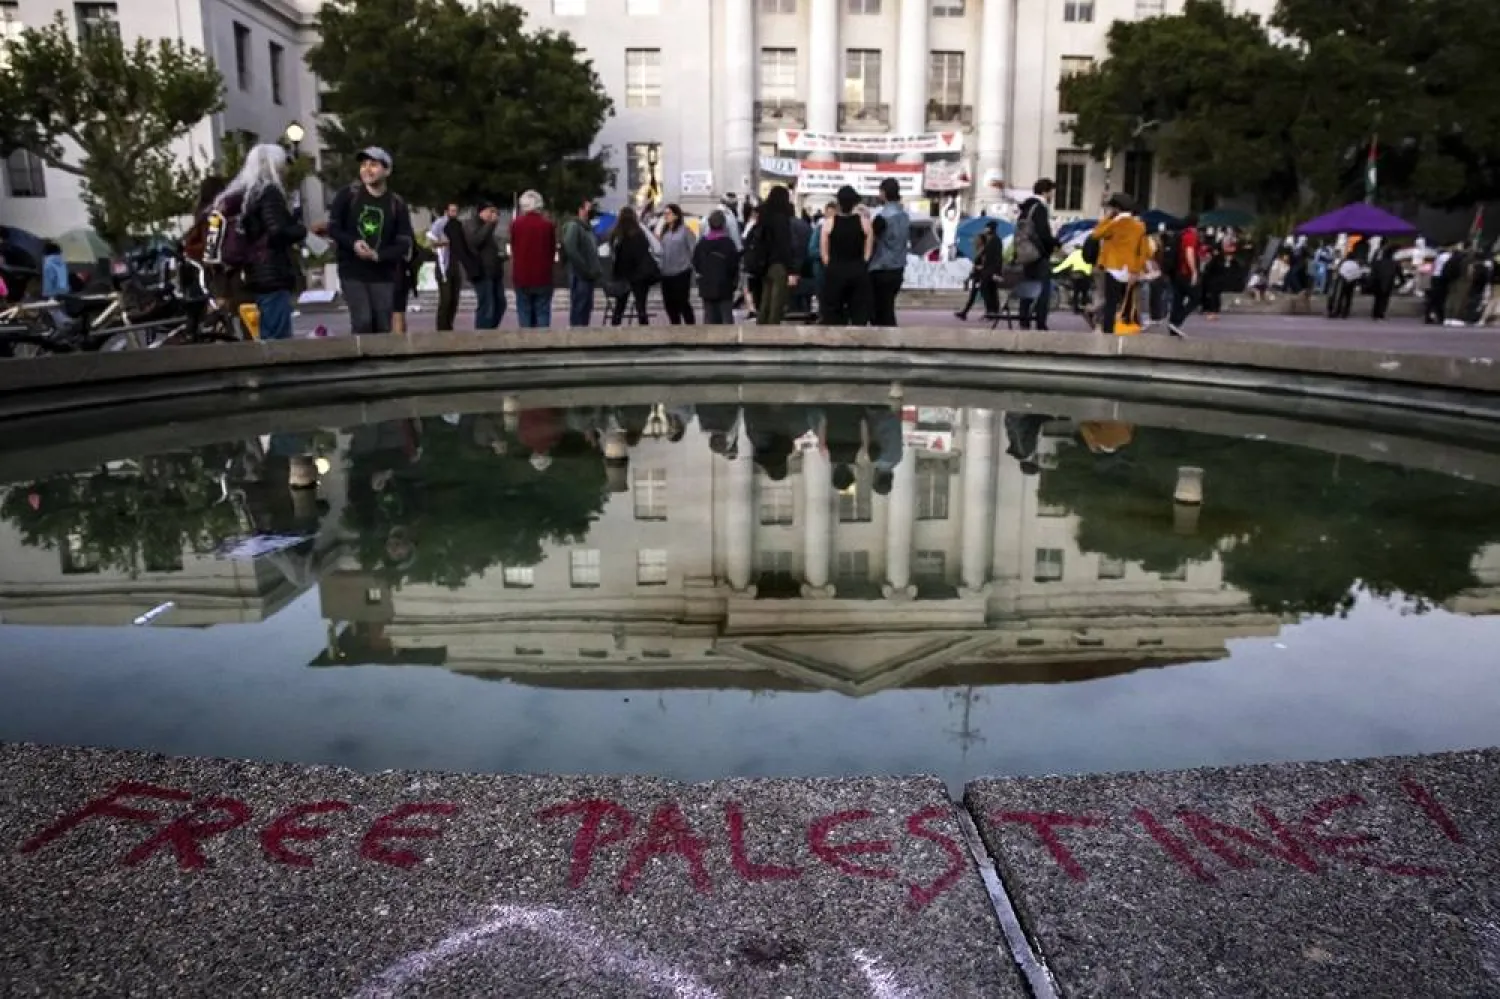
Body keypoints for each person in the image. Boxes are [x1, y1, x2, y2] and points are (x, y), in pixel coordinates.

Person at [216, 143, 307, 340]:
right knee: (277, 335)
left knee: (262, 332)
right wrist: (300, 230)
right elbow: (277, 231)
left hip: (253, 272)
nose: (285, 168)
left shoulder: (245, 194)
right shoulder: (269, 192)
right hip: (272, 272)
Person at [327, 147, 413, 335]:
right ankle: (359, 363)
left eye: (373, 165)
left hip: (383, 274)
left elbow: (404, 242)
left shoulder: (396, 203)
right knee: (363, 321)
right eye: (364, 165)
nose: (367, 169)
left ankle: (379, 365)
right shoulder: (348, 195)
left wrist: (378, 255)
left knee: (383, 326)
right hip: (352, 271)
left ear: (387, 170)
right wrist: (353, 243)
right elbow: (333, 228)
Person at [1090, 193, 1149, 336]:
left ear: (1116, 208)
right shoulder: (1139, 226)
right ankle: (1128, 328)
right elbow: (1143, 251)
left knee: (1110, 303)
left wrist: (1107, 218)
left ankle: (1108, 331)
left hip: (1112, 266)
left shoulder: (1114, 224)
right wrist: (1136, 270)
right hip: (1130, 269)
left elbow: (1096, 234)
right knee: (1129, 302)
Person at [819, 184, 873, 326]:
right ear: (855, 203)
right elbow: (868, 251)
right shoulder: (864, 223)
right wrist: (862, 263)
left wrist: (830, 265)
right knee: (858, 312)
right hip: (857, 270)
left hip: (835, 270)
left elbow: (824, 252)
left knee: (833, 311)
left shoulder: (829, 223)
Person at [754, 185, 801, 325]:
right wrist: (792, 269)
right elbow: (784, 245)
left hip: (764, 264)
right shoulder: (781, 219)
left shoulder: (763, 217)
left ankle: (760, 330)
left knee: (765, 301)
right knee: (777, 303)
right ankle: (772, 333)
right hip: (779, 265)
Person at [1014, 178, 1057, 330]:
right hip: (1038, 255)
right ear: (1045, 192)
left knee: (1027, 286)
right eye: (1052, 192)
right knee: (1043, 289)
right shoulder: (1040, 208)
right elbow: (1043, 233)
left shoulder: (1025, 208)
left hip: (1026, 254)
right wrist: (1055, 243)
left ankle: (1023, 319)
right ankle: (1040, 321)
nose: (1052, 196)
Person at [510, 190, 557, 329]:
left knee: (524, 312)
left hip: (522, 276)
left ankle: (526, 345)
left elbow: (514, 247)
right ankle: (542, 346)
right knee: (542, 312)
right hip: (543, 276)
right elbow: (551, 249)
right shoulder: (547, 225)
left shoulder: (516, 224)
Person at [868, 177, 910, 326]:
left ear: (884, 193)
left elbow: (871, 242)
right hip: (898, 268)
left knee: (880, 311)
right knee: (888, 308)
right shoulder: (905, 216)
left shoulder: (882, 218)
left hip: (881, 268)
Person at [606, 206, 658, 326]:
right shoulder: (639, 234)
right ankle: (644, 331)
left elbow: (613, 254)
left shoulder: (616, 234)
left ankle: (615, 330)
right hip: (639, 275)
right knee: (641, 306)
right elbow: (646, 250)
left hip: (622, 274)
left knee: (619, 306)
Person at [693, 210, 740, 325]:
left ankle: (710, 341)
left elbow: (696, 262)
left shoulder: (702, 244)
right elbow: (733, 265)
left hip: (707, 286)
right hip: (725, 286)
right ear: (724, 224)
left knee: (709, 317)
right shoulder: (728, 244)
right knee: (726, 318)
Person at [560, 198, 603, 327]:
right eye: (587, 208)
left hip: (588, 275)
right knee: (579, 307)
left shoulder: (587, 228)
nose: (590, 211)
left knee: (586, 307)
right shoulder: (574, 226)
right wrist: (584, 269)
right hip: (580, 275)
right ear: (580, 210)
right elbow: (571, 249)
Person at [465, 201, 507, 329]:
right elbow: (476, 241)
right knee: (487, 306)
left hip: (494, 272)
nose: (493, 215)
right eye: (490, 211)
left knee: (500, 303)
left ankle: (491, 330)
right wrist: (490, 225)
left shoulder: (490, 228)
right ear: (481, 212)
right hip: (482, 272)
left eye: (495, 212)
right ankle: (482, 334)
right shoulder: (472, 224)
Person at [655, 203, 697, 325]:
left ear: (676, 215)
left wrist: (692, 266)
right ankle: (675, 325)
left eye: (668, 214)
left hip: (682, 271)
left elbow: (693, 249)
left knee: (683, 301)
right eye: (664, 214)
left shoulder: (685, 231)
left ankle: (690, 327)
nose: (666, 216)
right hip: (666, 273)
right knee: (669, 303)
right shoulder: (664, 232)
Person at [428, 203, 467, 332]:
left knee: (455, 299)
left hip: (455, 264)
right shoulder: (440, 224)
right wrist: (443, 243)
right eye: (452, 210)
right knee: (446, 298)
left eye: (456, 210)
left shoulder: (458, 225)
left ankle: (449, 325)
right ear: (446, 211)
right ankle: (441, 327)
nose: (454, 213)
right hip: (443, 265)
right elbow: (430, 243)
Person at [1167, 214, 1200, 337]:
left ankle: (1172, 325)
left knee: (1178, 298)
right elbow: (1189, 253)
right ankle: (1177, 321)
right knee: (1195, 297)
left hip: (1176, 272)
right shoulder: (1191, 235)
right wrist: (1194, 271)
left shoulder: (1180, 234)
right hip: (1185, 271)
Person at [1368, 245, 1399, 320]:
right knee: (1385, 299)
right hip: (1388, 283)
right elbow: (1398, 273)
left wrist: (1370, 282)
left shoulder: (1378, 262)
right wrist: (1401, 282)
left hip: (1377, 282)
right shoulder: (1394, 263)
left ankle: (1375, 313)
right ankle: (1381, 313)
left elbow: (1373, 272)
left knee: (1377, 299)